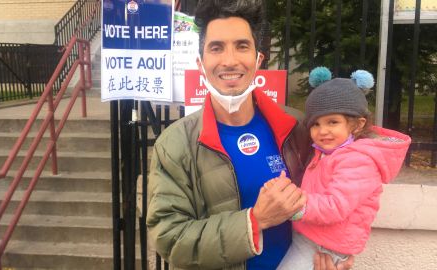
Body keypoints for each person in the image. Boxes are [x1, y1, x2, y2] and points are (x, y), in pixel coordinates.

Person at [147, 0, 353, 269]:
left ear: (258, 59)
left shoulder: (299, 128)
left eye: (242, 46)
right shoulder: (175, 144)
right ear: (200, 63)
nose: (230, 61)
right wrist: (255, 221)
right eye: (216, 47)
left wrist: (334, 254)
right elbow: (170, 239)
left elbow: (339, 193)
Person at [273, 67, 411, 270]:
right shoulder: (327, 152)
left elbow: (336, 206)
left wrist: (294, 205)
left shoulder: (358, 160)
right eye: (315, 124)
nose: (323, 131)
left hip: (324, 247)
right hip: (312, 236)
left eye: (333, 122)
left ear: (357, 124)